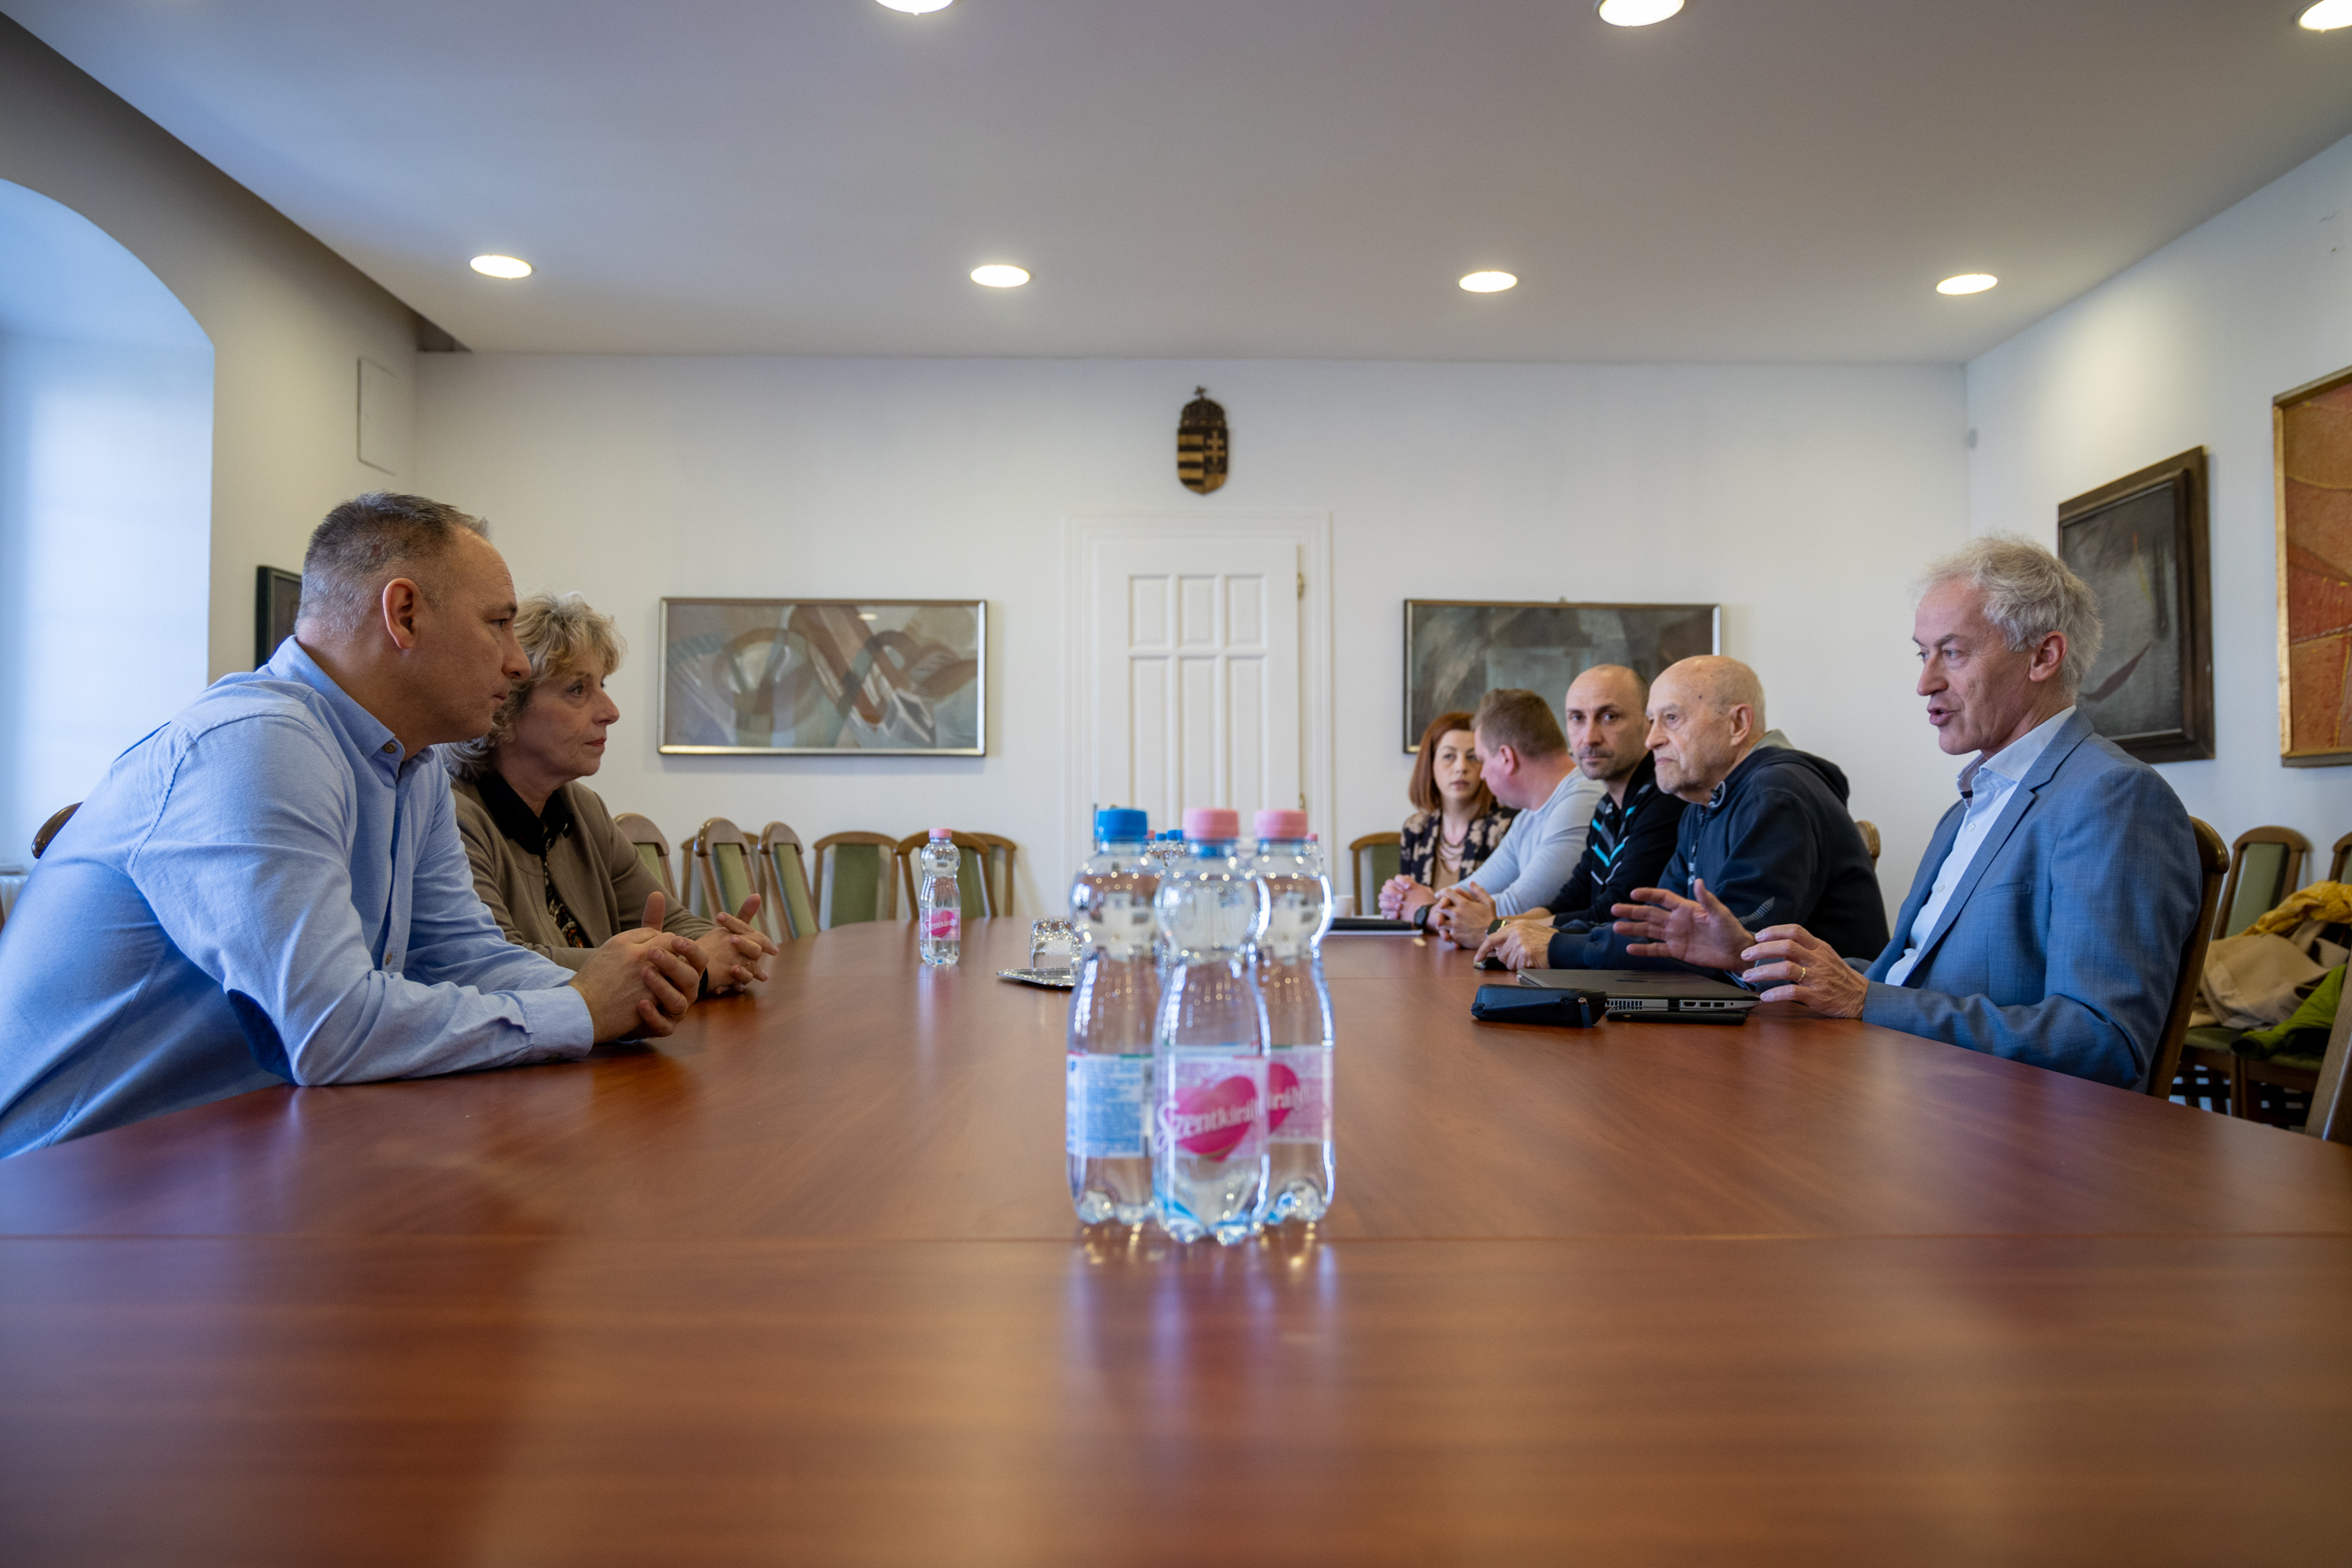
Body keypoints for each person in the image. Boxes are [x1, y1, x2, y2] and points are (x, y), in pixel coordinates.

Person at [0, 492, 707, 1156]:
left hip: (226, 1161)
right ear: (403, 614)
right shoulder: (258, 744)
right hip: (62, 1201)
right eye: (497, 622)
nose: (517, 660)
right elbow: (326, 1028)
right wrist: (581, 1008)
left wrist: (625, 990)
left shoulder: (413, 764)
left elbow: (464, 958)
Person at [1612, 536, 2199, 1090]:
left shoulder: (2112, 797)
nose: (1925, 682)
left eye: (1953, 653)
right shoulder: (1965, 809)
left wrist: (1867, 1001)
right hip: (1897, 1084)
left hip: (1987, 1134)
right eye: (1923, 655)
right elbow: (1904, 978)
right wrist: (1748, 954)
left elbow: (2105, 1043)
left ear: (2044, 655)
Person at [446, 592, 777, 990]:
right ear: (506, 708)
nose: (610, 711)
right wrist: (685, 964)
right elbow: (501, 963)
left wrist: (730, 945)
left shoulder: (580, 807)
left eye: (600, 684)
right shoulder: (452, 816)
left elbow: (673, 922)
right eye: (577, 690)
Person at [1556, 655, 1887, 970]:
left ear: (1738, 723)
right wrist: (1554, 938)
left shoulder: (1774, 796)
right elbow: (1658, 925)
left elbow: (1714, 948)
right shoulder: (1702, 803)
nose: (1652, 739)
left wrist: (1555, 947)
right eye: (1652, 721)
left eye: (1671, 719)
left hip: (1821, 1023)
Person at [1471, 665, 1687, 970]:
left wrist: (1496, 929)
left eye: (1609, 717)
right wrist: (1501, 927)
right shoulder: (1606, 806)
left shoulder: (1665, 800)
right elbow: (1573, 899)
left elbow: (1617, 912)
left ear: (1648, 722)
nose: (1589, 737)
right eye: (1577, 718)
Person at [1379, 688, 1605, 944]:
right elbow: (1470, 890)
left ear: (1507, 758)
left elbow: (1515, 906)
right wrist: (1416, 901)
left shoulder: (1582, 799)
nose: (1482, 774)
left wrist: (1424, 911)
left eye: (1481, 759)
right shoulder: (1528, 816)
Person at [1394, 709, 1517, 897]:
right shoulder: (1416, 828)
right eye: (1449, 756)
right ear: (1430, 763)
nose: (1461, 768)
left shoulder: (1507, 825)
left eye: (1473, 757)